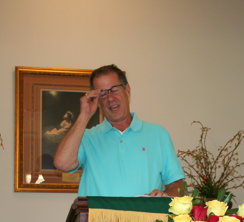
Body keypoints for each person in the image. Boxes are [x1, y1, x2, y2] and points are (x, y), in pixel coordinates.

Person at [53, 64, 184, 197]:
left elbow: (177, 186)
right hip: (97, 212)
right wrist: (84, 115)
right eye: (102, 94)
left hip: (145, 211)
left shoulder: (158, 134)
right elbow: (62, 164)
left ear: (127, 90)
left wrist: (165, 197)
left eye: (114, 89)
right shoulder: (87, 137)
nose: (110, 98)